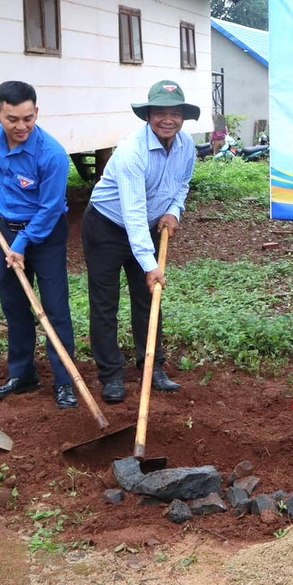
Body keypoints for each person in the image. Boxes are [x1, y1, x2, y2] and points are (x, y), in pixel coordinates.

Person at [0, 81, 78, 410]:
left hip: (47, 233)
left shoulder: (51, 155)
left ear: (36, 113)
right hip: (6, 231)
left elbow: (51, 208)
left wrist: (23, 244)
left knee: (54, 308)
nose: (22, 126)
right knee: (14, 304)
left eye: (28, 118)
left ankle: (66, 380)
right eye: (13, 119)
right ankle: (23, 375)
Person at [84, 80, 197, 403]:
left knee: (149, 300)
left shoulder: (186, 145)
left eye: (175, 113)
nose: (168, 119)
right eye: (160, 112)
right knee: (105, 303)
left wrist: (174, 211)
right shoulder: (131, 152)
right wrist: (150, 265)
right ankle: (111, 375)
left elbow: (183, 183)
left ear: (182, 118)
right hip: (107, 226)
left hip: (146, 226)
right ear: (148, 115)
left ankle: (153, 366)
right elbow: (132, 212)